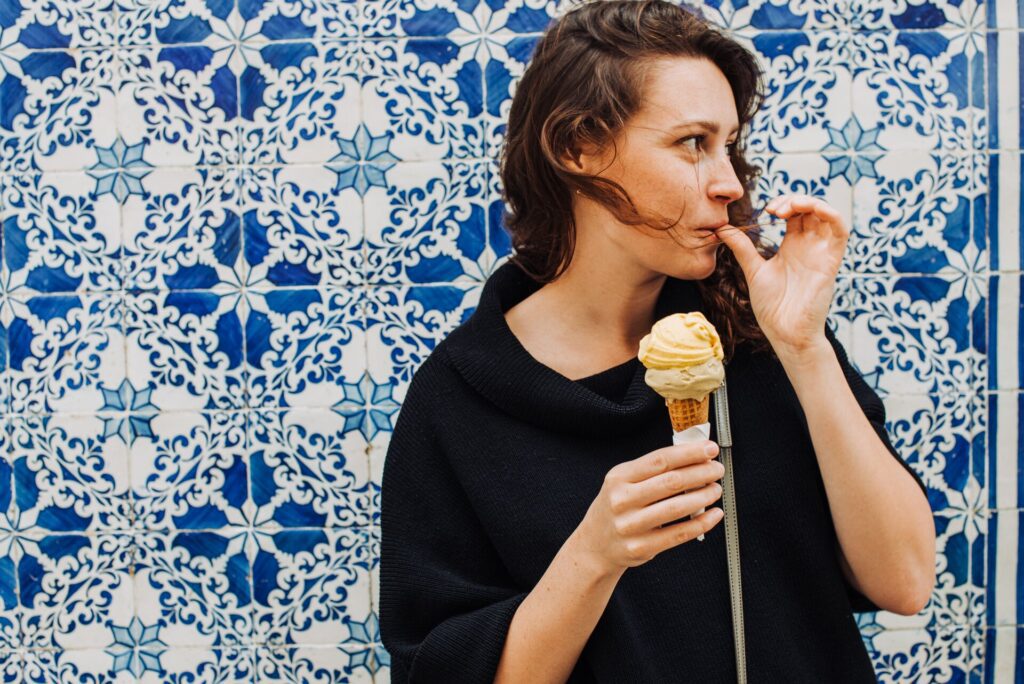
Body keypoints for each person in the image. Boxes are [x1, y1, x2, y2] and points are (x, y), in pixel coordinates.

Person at [378, 1, 936, 682]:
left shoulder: (758, 339)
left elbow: (904, 583)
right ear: (577, 148)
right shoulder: (459, 401)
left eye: (729, 144)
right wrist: (595, 554)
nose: (729, 183)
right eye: (692, 143)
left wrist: (805, 349)